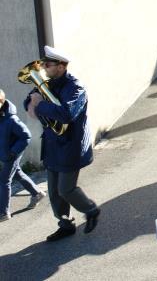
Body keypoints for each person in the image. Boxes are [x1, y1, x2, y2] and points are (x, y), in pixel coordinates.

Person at [24, 46, 100, 241]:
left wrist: (40, 104)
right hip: (52, 144)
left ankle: (91, 210)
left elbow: (66, 114)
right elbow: (28, 100)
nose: (44, 68)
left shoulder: (76, 88)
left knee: (65, 189)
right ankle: (65, 224)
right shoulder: (48, 83)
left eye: (47, 64)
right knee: (53, 192)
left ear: (61, 66)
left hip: (69, 146)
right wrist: (33, 102)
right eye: (43, 64)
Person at [1, 89, 46, 222]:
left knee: (3, 181)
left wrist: (13, 152)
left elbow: (26, 136)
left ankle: (3, 213)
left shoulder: (11, 120)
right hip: (4, 153)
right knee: (17, 173)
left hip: (12, 154)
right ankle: (37, 193)